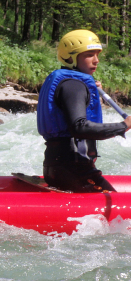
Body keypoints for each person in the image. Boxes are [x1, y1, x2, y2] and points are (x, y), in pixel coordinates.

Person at [37, 29, 131, 193]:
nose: (96, 60)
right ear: (70, 57)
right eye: (89, 54)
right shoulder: (73, 86)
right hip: (73, 171)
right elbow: (79, 127)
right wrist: (123, 126)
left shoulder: (71, 83)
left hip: (59, 167)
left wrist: (88, 92)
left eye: (97, 54)